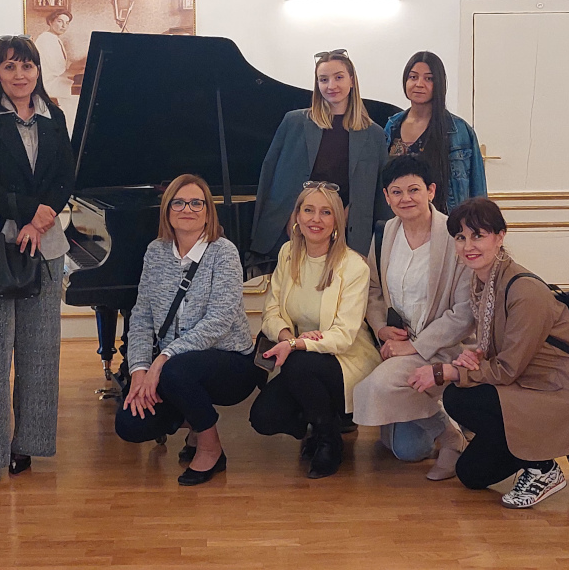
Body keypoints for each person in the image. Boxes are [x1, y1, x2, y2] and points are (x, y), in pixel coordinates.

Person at [413, 198, 569, 508]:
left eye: (478, 235)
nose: (468, 246)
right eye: (460, 237)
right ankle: (568, 441)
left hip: (557, 389)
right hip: (527, 383)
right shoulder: (482, 282)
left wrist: (450, 371)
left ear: (500, 236)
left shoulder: (524, 291)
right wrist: (476, 358)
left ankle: (544, 469)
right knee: (471, 474)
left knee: (459, 396)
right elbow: (501, 349)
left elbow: (508, 369)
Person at [0, 34, 75, 482]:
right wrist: (27, 212)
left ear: (38, 70)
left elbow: (65, 177)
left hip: (44, 243)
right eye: (9, 66)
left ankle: (28, 444)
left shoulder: (54, 116)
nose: (20, 74)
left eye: (27, 66)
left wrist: (40, 221)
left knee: (40, 351)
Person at [114, 175, 263, 486]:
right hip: (175, 368)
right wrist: (139, 370)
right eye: (179, 203)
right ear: (167, 210)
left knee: (176, 371)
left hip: (229, 363)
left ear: (208, 212)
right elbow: (141, 317)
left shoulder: (223, 253)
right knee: (129, 424)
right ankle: (194, 418)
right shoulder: (156, 252)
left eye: (197, 203)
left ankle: (210, 448)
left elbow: (219, 321)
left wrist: (163, 358)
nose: (187, 209)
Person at [351, 156, 474, 480]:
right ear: (386, 196)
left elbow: (464, 313)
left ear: (431, 191)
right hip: (398, 347)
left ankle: (450, 435)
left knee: (375, 388)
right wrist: (381, 329)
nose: (405, 198)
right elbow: (373, 289)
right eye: (397, 192)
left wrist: (416, 347)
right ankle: (441, 416)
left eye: (414, 190)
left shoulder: (455, 237)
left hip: (442, 348)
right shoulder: (385, 233)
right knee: (406, 450)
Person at [250, 183, 379, 479]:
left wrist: (297, 346)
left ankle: (328, 439)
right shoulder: (288, 254)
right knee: (263, 418)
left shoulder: (354, 266)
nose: (315, 219)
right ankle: (321, 417)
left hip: (346, 360)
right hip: (300, 359)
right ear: (297, 216)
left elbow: (344, 336)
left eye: (326, 212)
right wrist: (288, 338)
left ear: (337, 221)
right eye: (308, 210)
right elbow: (271, 311)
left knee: (298, 364)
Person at [250, 49, 387, 261]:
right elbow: (270, 175)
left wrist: (346, 218)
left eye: (338, 77)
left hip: (349, 232)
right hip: (295, 227)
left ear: (352, 80)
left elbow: (379, 192)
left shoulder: (374, 134)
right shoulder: (294, 122)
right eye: (323, 79)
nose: (331, 86)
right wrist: (293, 214)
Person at [383, 52, 487, 211]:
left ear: (439, 83)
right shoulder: (392, 126)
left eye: (429, 79)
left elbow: (478, 191)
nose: (419, 84)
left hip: (446, 220)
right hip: (400, 219)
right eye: (413, 77)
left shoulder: (459, 131)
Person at [33, 12, 77, 117]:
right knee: (79, 94)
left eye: (67, 23)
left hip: (55, 80)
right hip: (49, 83)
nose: (64, 26)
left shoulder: (54, 38)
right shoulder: (45, 39)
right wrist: (75, 69)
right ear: (50, 22)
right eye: (60, 21)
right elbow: (57, 69)